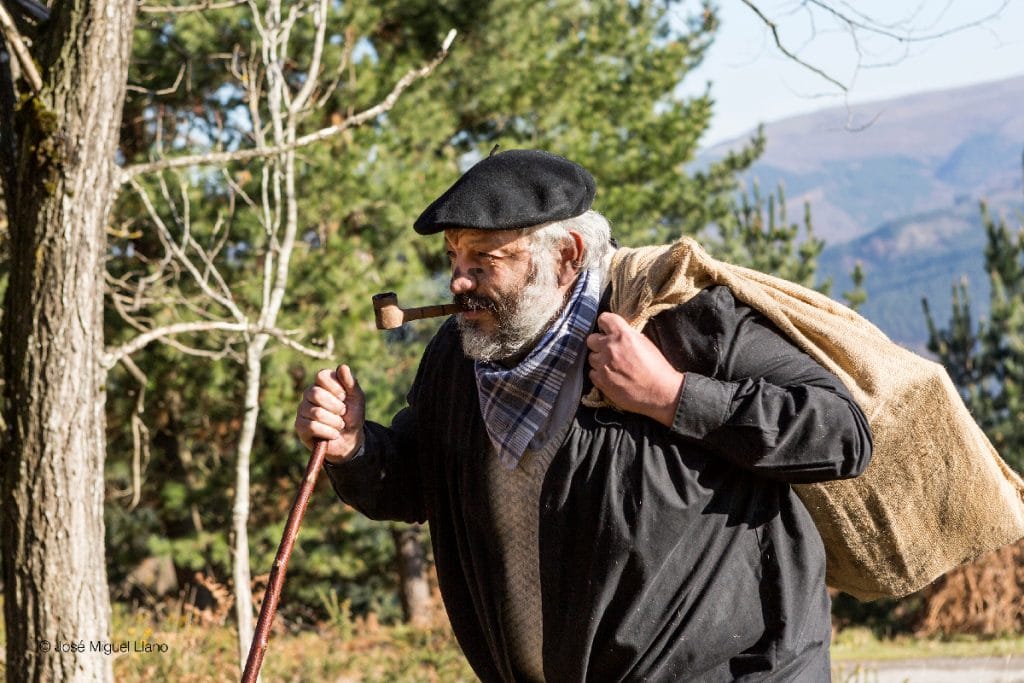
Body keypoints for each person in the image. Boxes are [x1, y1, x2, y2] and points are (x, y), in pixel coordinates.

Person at [295, 149, 873, 682]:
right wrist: (354, 448)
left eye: (484, 258)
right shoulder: (459, 356)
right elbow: (419, 484)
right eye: (454, 255)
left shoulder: (681, 321)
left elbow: (842, 434)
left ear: (567, 255)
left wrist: (670, 395)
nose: (458, 280)